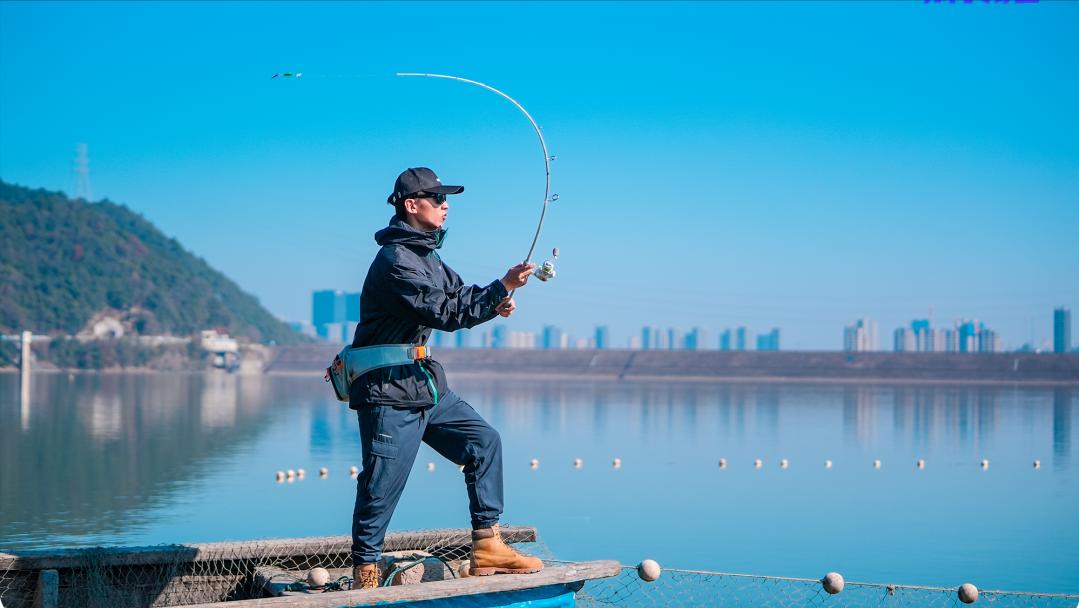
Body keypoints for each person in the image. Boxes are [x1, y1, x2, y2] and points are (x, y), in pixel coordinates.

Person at [348, 167, 544, 589]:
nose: (445, 205)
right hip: (388, 391)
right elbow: (445, 312)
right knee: (382, 486)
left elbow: (459, 297)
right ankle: (364, 573)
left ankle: (488, 544)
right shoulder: (396, 261)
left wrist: (497, 298)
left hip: (422, 385)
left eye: (445, 199)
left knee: (483, 441)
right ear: (411, 204)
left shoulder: (427, 257)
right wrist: (500, 288)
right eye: (436, 199)